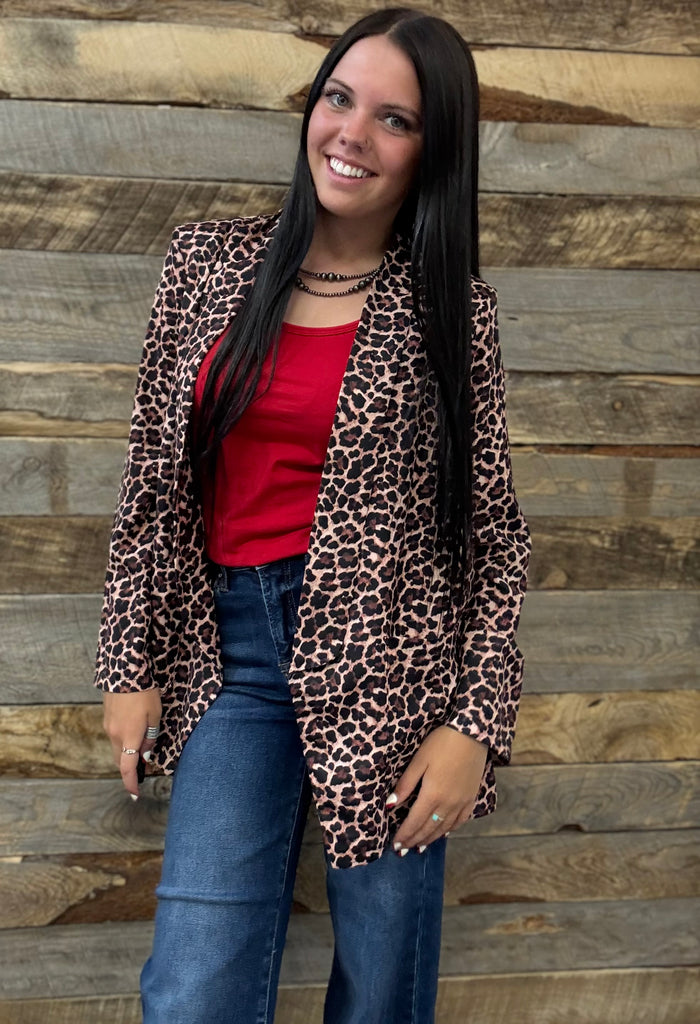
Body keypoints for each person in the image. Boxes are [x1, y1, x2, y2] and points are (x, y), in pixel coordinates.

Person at [95, 7, 531, 1023]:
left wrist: (474, 724)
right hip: (232, 658)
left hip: (394, 671)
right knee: (194, 987)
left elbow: (495, 537)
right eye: (339, 99)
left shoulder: (451, 312)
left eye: (394, 119)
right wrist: (128, 663)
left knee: (380, 991)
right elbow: (150, 481)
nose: (351, 133)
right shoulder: (206, 264)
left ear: (432, 149)